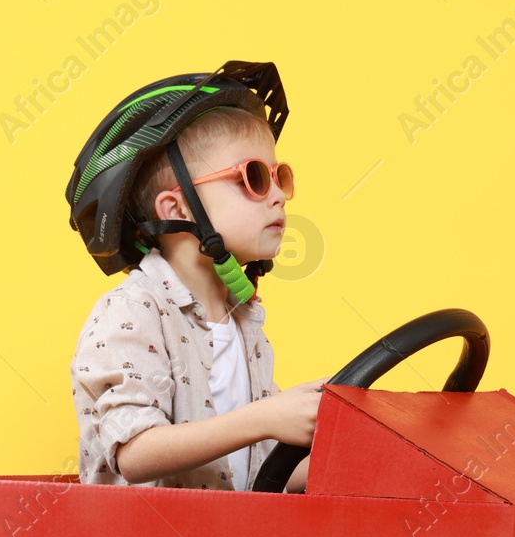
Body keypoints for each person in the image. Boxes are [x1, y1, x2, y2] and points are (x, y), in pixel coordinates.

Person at [64, 61, 323, 492]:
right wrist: (264, 419)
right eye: (254, 178)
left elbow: (258, 474)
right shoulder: (133, 311)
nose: (278, 195)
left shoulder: (243, 321)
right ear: (177, 210)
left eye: (280, 177)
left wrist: (348, 455)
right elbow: (135, 452)